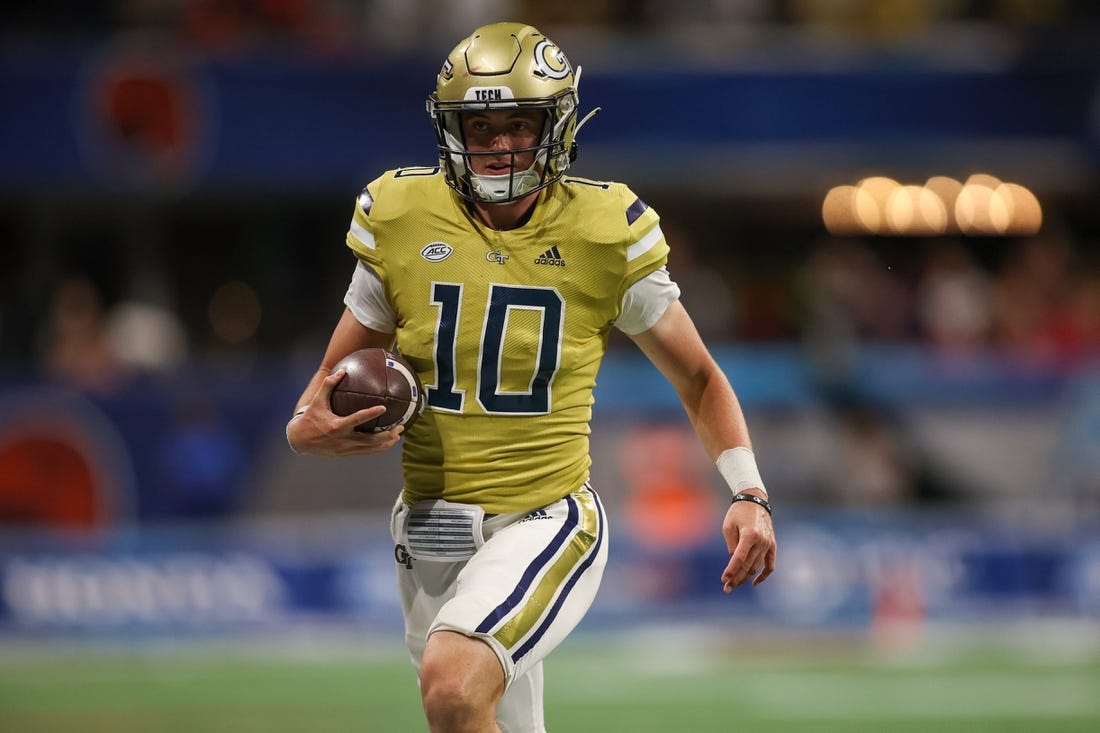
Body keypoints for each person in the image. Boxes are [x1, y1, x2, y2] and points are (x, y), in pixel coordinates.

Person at [286, 21, 776, 733]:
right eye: (478, 126)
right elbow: (320, 395)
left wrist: (748, 489)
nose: (498, 145)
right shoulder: (397, 214)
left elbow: (699, 376)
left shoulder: (605, 229)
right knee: (475, 710)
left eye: (519, 124)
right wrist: (310, 431)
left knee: (452, 686)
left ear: (558, 126)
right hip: (428, 531)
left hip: (546, 517)